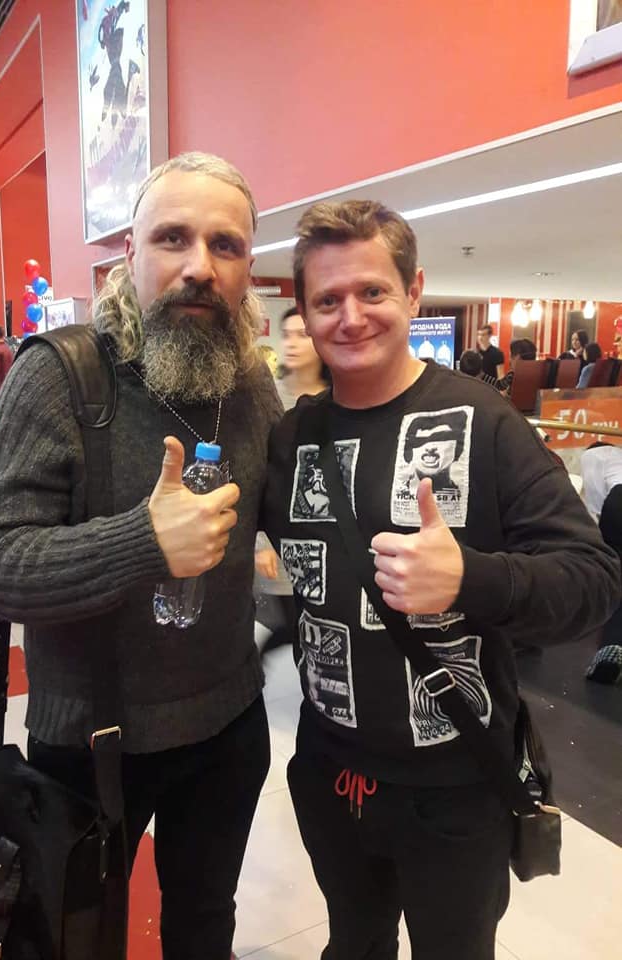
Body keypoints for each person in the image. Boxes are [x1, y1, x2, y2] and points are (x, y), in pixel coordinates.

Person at [261, 199, 620, 960]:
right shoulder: (292, 438)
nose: (350, 317)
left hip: (456, 785)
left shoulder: (484, 421)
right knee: (353, 943)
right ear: (304, 311)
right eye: (327, 299)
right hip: (329, 771)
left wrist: (470, 579)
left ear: (414, 290)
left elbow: (593, 580)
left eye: (372, 291)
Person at [0, 152, 282, 959]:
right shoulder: (61, 375)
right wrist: (142, 542)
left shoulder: (251, 385)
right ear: (129, 253)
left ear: (248, 266)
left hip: (228, 724)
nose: (200, 266)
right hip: (90, 742)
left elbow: (291, 515)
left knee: (205, 928)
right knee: (77, 942)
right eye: (173, 238)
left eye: (226, 245)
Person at [255, 306, 331, 653]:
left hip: (323, 531)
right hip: (279, 532)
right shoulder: (267, 398)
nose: (292, 344)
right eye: (287, 335)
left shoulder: (337, 397)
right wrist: (262, 542)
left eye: (303, 335)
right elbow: (256, 474)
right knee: (290, 617)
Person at [581, 442, 622, 684]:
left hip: (619, 501)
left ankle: (611, 647)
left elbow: (595, 503)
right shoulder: (616, 455)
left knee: (617, 576)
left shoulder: (593, 455)